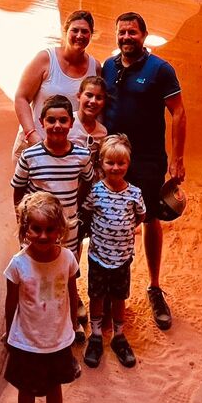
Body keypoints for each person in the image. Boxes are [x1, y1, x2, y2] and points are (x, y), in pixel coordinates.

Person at [102, 12, 186, 330]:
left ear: (144, 35)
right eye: (122, 32)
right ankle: (114, 291)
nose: (126, 37)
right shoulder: (108, 67)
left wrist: (178, 159)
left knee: (150, 218)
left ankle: (154, 287)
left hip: (149, 159)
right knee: (114, 219)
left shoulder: (160, 70)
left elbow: (178, 111)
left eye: (132, 32)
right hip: (112, 159)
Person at [3, 192, 80, 403]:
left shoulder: (67, 259)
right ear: (25, 229)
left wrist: (72, 326)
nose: (43, 235)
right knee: (26, 391)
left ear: (60, 229)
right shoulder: (18, 265)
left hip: (57, 340)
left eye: (49, 229)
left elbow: (73, 294)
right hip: (26, 342)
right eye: (36, 228)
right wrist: (10, 336)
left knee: (54, 390)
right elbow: (11, 305)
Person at [11, 95, 95, 341]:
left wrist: (72, 210)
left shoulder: (81, 156)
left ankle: (68, 317)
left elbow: (87, 183)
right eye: (51, 120)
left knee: (65, 269)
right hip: (37, 230)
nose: (57, 125)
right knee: (36, 271)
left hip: (66, 228)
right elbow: (18, 189)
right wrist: (24, 221)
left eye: (62, 120)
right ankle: (36, 320)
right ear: (41, 122)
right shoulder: (30, 156)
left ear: (71, 123)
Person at [81, 134, 146, 369]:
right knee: (96, 296)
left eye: (121, 163)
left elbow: (141, 215)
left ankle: (119, 336)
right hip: (98, 257)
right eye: (110, 163)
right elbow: (87, 213)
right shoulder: (96, 191)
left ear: (128, 164)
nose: (115, 168)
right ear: (101, 163)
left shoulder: (134, 194)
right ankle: (96, 336)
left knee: (120, 297)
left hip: (122, 259)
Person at [12, 10, 100, 158]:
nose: (79, 36)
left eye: (85, 31)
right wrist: (32, 135)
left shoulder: (95, 67)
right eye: (74, 30)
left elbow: (96, 110)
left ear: (91, 35)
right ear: (65, 32)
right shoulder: (45, 59)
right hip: (34, 145)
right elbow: (21, 98)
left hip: (69, 152)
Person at [68, 75, 108, 173]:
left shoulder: (102, 132)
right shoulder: (66, 122)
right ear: (78, 96)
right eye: (89, 95)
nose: (93, 101)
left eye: (99, 97)